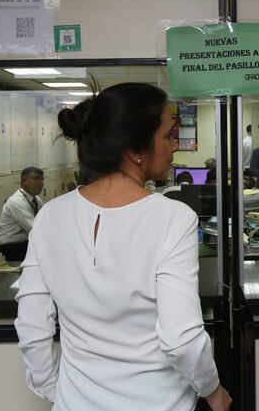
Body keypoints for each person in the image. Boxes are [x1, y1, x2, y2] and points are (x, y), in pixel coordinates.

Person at [15, 83, 231, 411]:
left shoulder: (50, 216)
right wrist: (212, 391)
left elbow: (32, 327)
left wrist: (58, 392)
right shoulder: (173, 218)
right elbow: (181, 339)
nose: (175, 146)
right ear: (135, 151)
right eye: (168, 136)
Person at [0, 166, 44, 261]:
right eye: (36, 178)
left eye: (42, 179)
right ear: (24, 181)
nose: (41, 182)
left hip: (22, 245)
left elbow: (44, 223)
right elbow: (34, 229)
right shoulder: (17, 201)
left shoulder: (37, 200)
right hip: (9, 249)